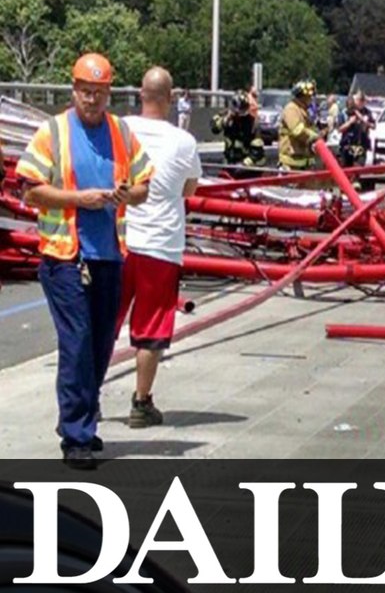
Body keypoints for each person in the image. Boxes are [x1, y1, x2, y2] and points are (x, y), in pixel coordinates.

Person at [15, 53, 153, 469]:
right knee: (77, 344)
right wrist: (80, 199)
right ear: (73, 90)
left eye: (99, 92)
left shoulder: (121, 132)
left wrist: (129, 194)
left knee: (100, 344)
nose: (92, 100)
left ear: (109, 92)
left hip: (109, 253)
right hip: (65, 256)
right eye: (85, 92)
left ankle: (82, 422)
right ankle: (76, 434)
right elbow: (30, 190)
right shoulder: (52, 132)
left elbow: (145, 183)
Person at [115, 68, 202, 429]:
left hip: (117, 242)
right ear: (170, 99)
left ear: (140, 94)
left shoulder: (119, 130)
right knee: (150, 329)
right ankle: (141, 402)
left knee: (104, 322)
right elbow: (190, 190)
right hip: (160, 246)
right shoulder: (183, 141)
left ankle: (83, 400)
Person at [211, 91, 266, 170]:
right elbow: (214, 128)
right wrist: (226, 119)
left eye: (241, 112)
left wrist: (244, 164)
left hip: (250, 166)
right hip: (230, 161)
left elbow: (257, 152)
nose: (238, 116)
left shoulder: (252, 123)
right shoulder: (225, 116)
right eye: (236, 113)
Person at [279, 79, 321, 171]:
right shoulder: (291, 109)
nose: (311, 99)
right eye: (309, 96)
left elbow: (312, 128)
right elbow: (297, 131)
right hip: (291, 163)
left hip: (303, 162)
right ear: (302, 96)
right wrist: (313, 137)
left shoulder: (304, 110)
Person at [337, 92, 375, 168]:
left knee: (358, 168)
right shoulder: (345, 113)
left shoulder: (367, 112)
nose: (359, 102)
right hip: (347, 145)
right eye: (357, 100)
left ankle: (356, 179)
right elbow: (339, 129)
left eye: (362, 101)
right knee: (347, 169)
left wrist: (364, 122)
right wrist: (350, 122)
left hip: (361, 144)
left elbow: (373, 126)